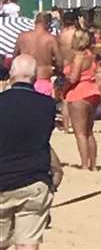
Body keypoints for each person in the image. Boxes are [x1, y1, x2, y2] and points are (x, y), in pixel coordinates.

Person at [0, 55, 64, 250]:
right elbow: (42, 141)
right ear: (35, 77)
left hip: (3, 178)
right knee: (28, 242)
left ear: (11, 75)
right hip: (34, 180)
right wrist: (56, 170)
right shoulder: (47, 105)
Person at [64, 30, 101, 172]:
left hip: (79, 92)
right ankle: (94, 165)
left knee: (80, 133)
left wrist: (63, 82)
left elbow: (74, 78)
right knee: (89, 132)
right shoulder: (91, 55)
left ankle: (85, 165)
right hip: (93, 91)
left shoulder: (79, 56)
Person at [14, 16, 59, 99]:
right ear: (48, 24)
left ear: (35, 22)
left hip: (24, 80)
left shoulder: (22, 36)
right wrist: (56, 71)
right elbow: (59, 62)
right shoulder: (51, 39)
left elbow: (15, 58)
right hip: (43, 79)